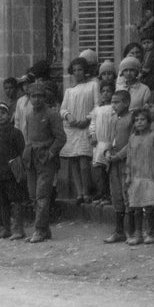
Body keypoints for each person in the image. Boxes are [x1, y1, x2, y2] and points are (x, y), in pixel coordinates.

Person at [113, 109, 154, 245]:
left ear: (148, 121)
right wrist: (128, 175)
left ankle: (151, 233)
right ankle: (138, 234)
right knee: (136, 208)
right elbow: (129, 158)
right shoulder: (132, 138)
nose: (139, 122)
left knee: (148, 207)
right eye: (136, 120)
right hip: (135, 177)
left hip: (149, 177)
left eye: (142, 119)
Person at [21, 83, 65, 242]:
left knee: (42, 195)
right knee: (33, 195)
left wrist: (50, 154)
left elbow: (61, 138)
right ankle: (45, 230)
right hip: (31, 158)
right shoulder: (29, 114)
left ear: (44, 97)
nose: (37, 99)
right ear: (30, 98)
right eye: (34, 96)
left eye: (40, 96)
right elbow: (28, 137)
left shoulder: (52, 114)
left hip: (45, 159)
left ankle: (39, 230)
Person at [0, 103, 27, 241]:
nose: (0, 116)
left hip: (12, 174)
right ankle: (6, 228)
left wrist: (21, 171)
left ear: (9, 115)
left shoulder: (16, 133)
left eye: (3, 113)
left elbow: (22, 153)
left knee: (16, 201)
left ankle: (18, 229)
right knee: (2, 202)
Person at [59, 57, 97, 204]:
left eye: (80, 69)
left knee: (83, 160)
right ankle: (79, 192)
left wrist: (87, 119)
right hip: (72, 128)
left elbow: (97, 105)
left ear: (85, 70)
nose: (77, 73)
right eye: (74, 70)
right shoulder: (69, 91)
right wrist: (69, 117)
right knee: (73, 161)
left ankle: (87, 191)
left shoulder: (93, 85)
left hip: (86, 127)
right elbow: (63, 109)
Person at [101, 89, 134, 243]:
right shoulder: (113, 119)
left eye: (116, 102)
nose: (113, 105)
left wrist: (119, 156)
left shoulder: (132, 118)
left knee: (128, 195)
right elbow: (109, 138)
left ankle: (132, 231)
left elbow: (132, 142)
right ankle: (119, 231)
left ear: (126, 103)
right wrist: (107, 152)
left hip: (126, 163)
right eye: (112, 102)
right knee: (117, 196)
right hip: (113, 163)